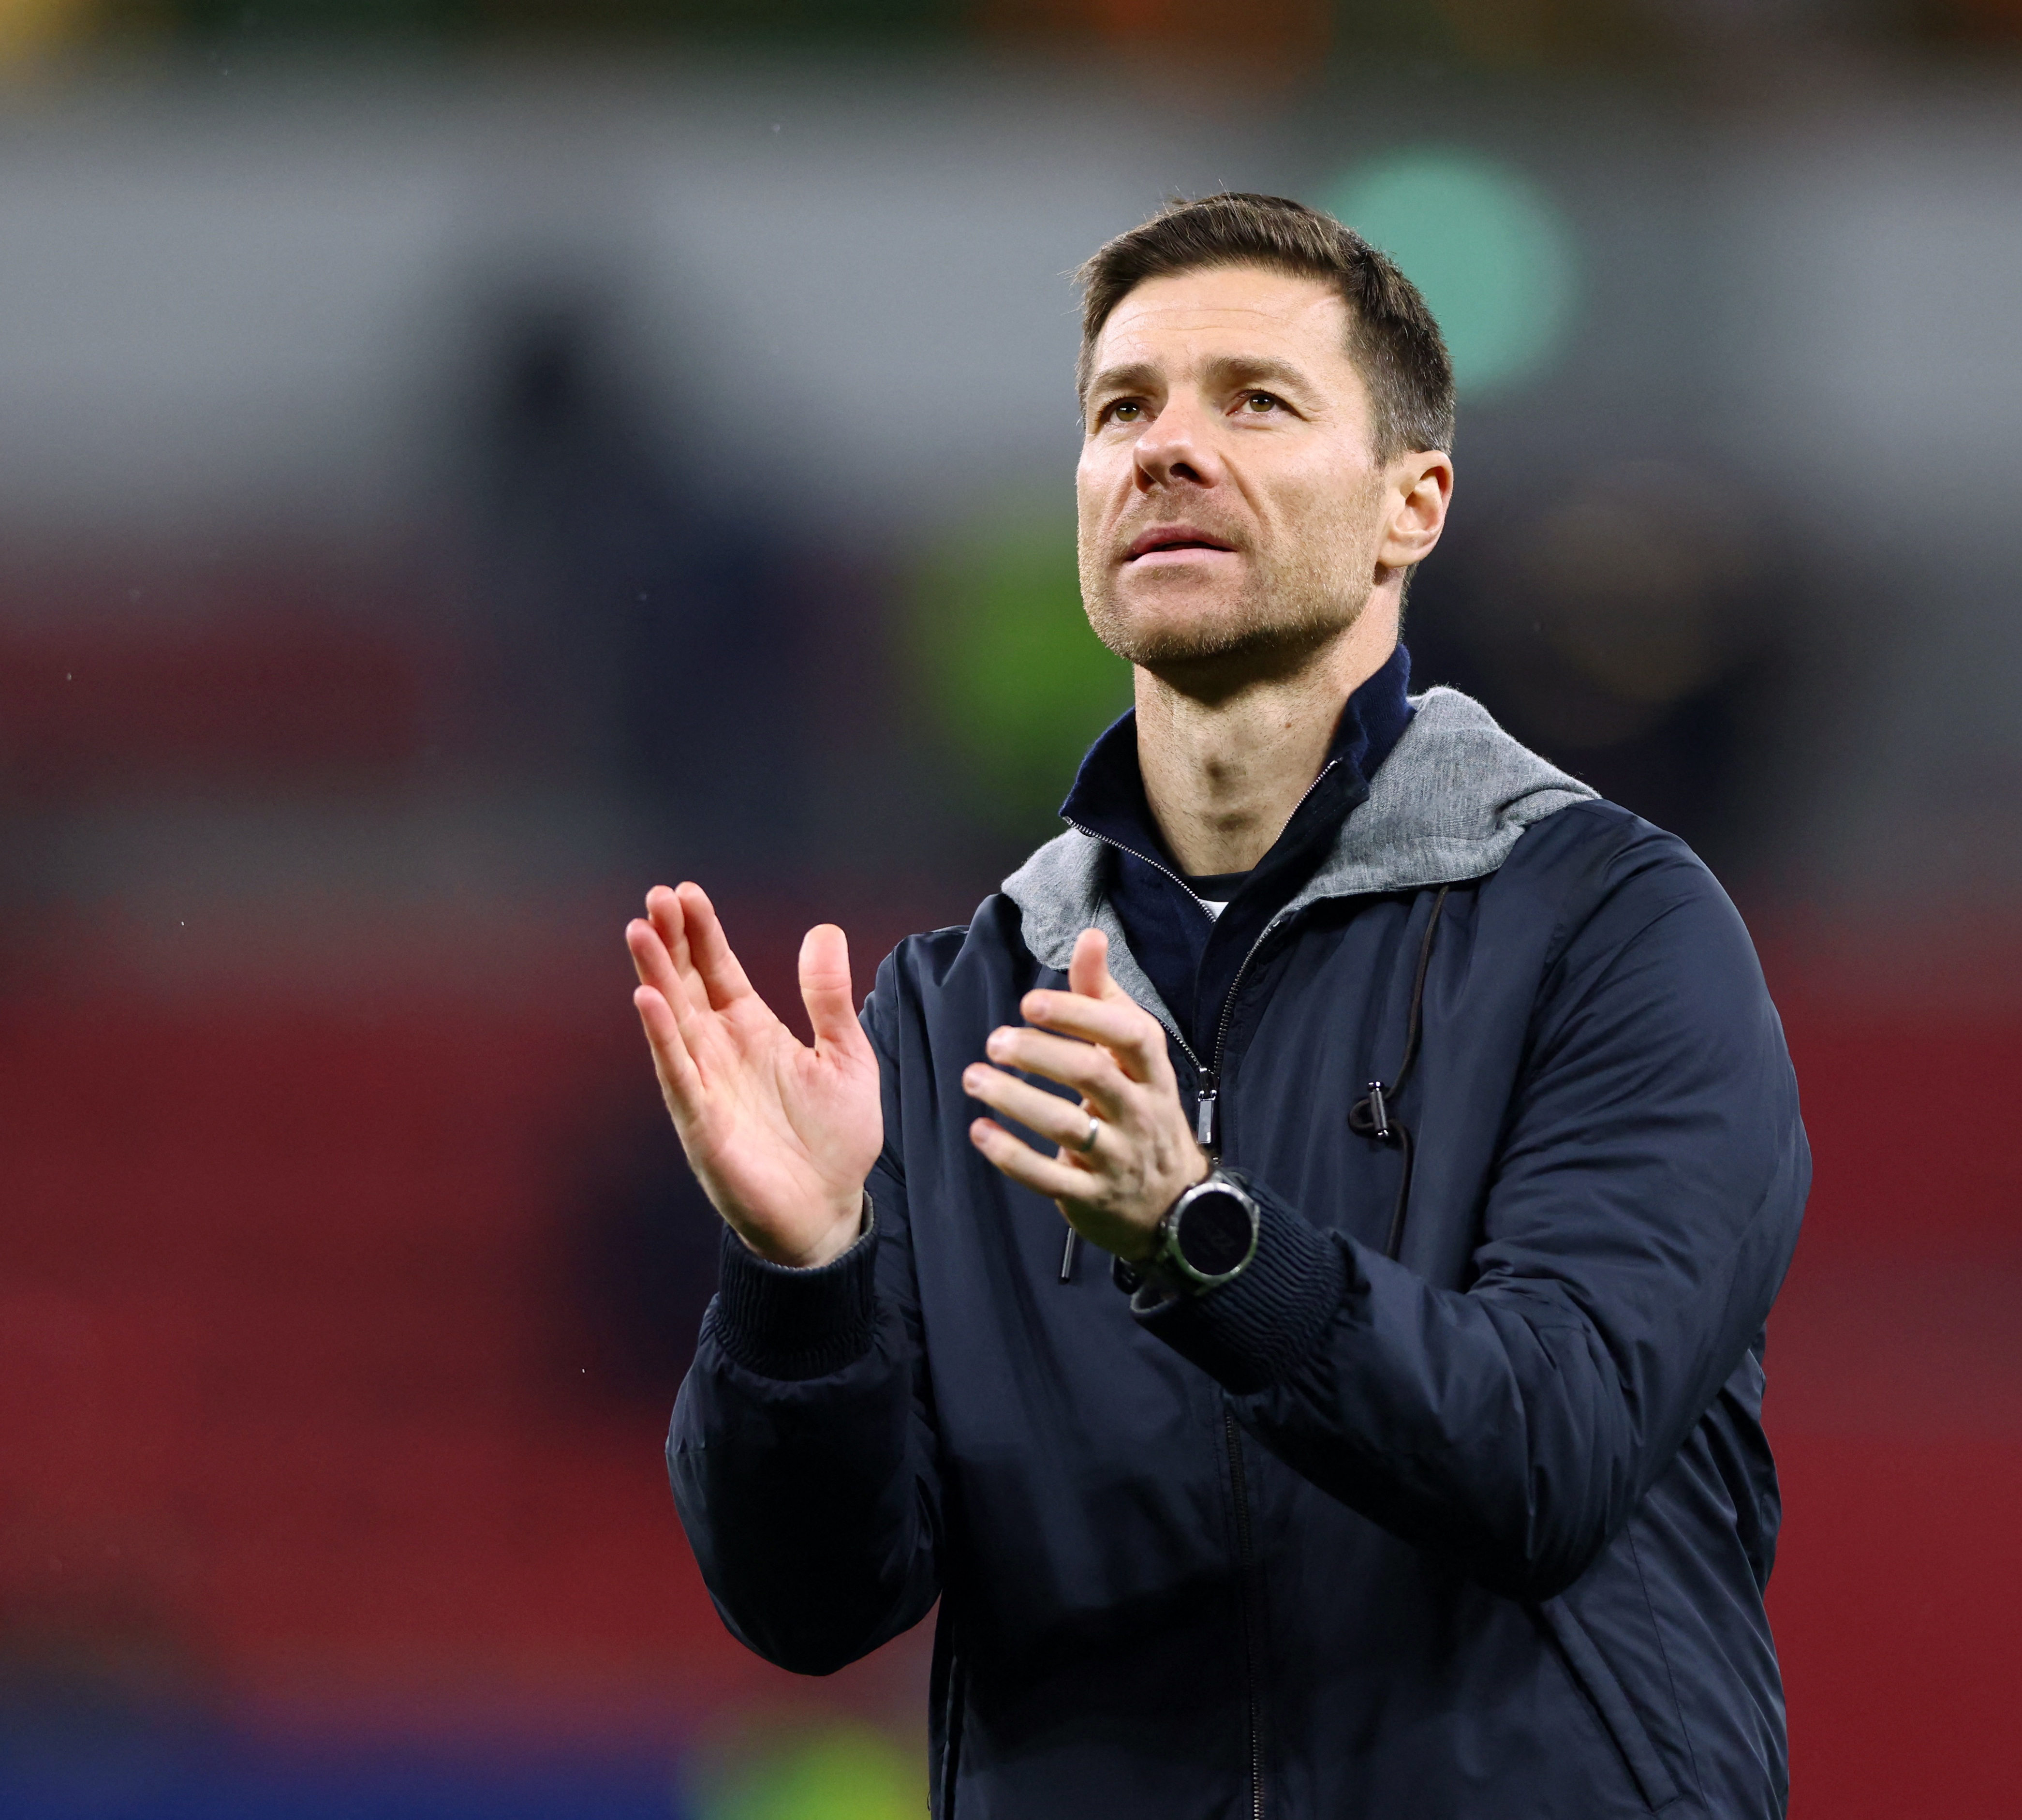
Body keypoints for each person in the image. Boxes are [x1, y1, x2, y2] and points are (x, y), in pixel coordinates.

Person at [628, 192, 1808, 1819]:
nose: (1164, 449)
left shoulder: (1609, 927)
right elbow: (813, 1607)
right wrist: (796, 1282)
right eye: (1123, 408)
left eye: (1253, 399)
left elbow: (1551, 1452)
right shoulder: (946, 1013)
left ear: (1413, 505)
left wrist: (1202, 1235)